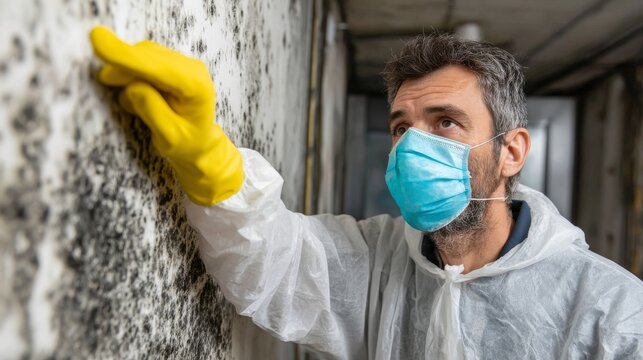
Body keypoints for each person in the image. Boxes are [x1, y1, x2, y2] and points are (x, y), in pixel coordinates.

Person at [89, 26, 643, 359]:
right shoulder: (380, 260)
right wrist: (210, 161)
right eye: (402, 127)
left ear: (512, 151)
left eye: (446, 121)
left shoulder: (611, 311)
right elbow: (273, 261)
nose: (411, 149)